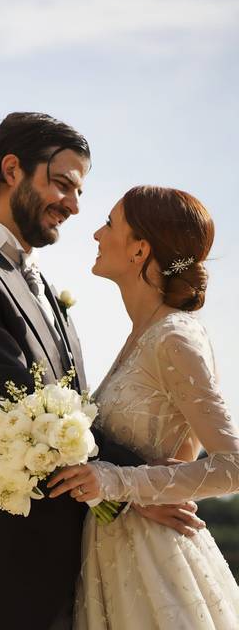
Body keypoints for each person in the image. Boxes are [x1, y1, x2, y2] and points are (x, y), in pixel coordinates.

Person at [0, 113, 203, 630]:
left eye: (79, 191)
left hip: (65, 566)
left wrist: (136, 484)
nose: (74, 205)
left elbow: (73, 413)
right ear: (12, 169)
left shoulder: (42, 286)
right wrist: (134, 484)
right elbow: (22, 412)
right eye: (61, 184)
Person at [47, 186, 239, 628]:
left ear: (139, 249)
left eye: (110, 223)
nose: (96, 233)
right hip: (113, 554)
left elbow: (231, 466)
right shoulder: (143, 334)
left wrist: (115, 481)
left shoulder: (174, 337)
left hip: (156, 563)